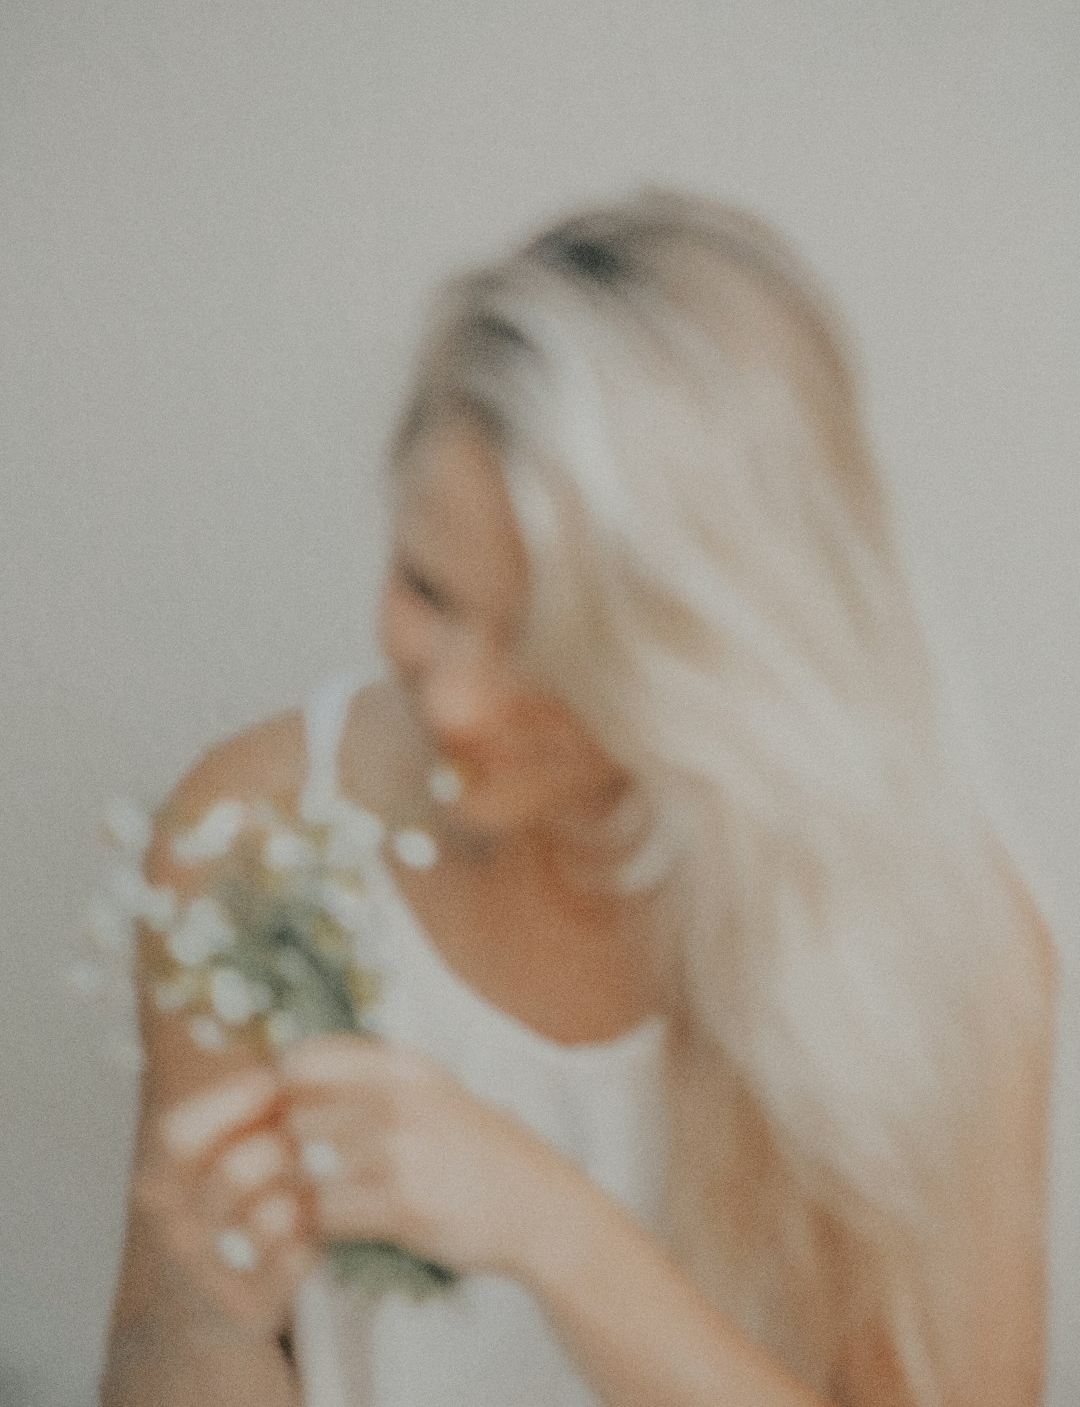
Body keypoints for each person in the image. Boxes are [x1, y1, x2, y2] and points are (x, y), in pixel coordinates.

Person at [101, 189, 1057, 1407]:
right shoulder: (251, 834)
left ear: (722, 648)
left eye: (552, 649)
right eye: (427, 589)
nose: (454, 704)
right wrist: (214, 1317)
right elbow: (165, 1345)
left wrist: (559, 1235)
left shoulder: (950, 960)